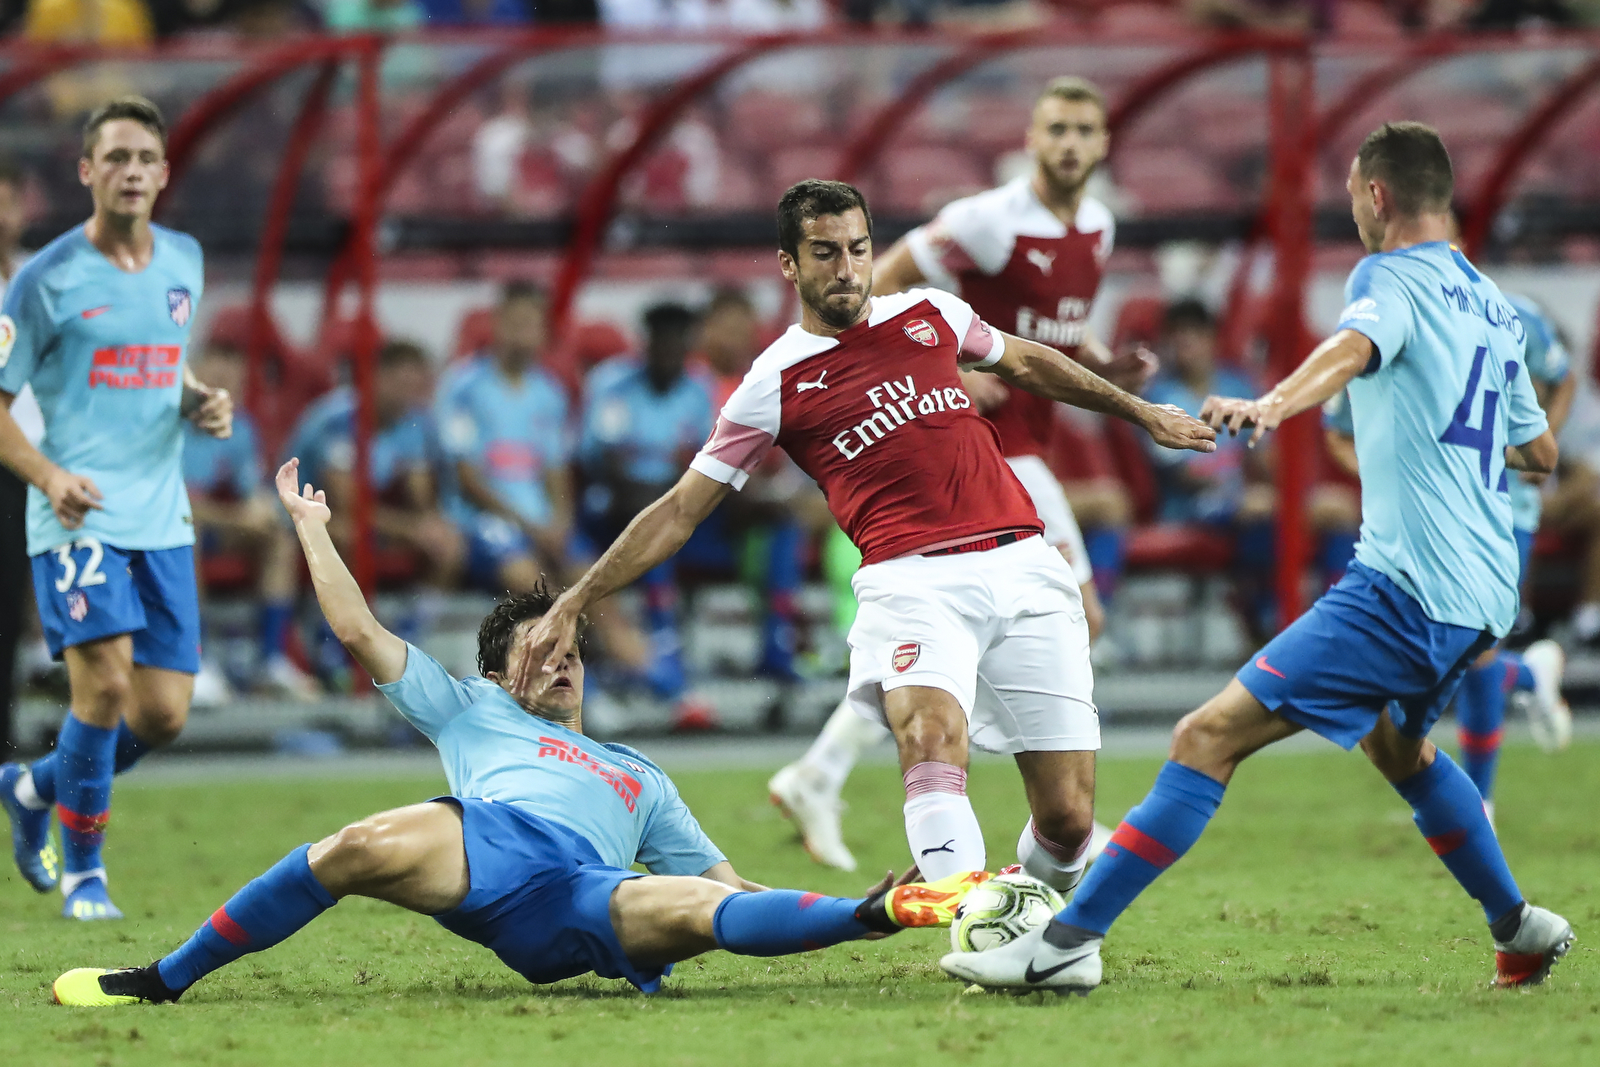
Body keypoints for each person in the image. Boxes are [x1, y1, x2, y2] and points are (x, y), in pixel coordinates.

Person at [943, 122, 1574, 994]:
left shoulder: (1386, 276)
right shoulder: (1496, 307)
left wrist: (1274, 403)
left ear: (1379, 195)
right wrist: (1443, 444)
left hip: (1404, 586)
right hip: (1482, 594)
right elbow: (1538, 454)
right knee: (1400, 750)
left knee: (1205, 736)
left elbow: (1352, 348)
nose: (1353, 209)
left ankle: (1066, 943)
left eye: (1354, 192)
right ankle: (1520, 928)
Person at [49, 457, 976, 1007]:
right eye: (542, 645)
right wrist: (312, 529)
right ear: (499, 673)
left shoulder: (638, 774)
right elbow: (356, 631)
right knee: (357, 844)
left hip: (584, 893)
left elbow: (731, 883)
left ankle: (878, 914)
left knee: (695, 912)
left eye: (572, 646)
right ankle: (164, 979)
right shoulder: (467, 708)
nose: (563, 658)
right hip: (485, 844)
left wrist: (822, 908)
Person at [519, 179, 1215, 893]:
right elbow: (678, 510)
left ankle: (1018, 902)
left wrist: (1141, 412)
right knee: (929, 739)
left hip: (1023, 561)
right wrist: (577, 596)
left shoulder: (932, 314)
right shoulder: (772, 382)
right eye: (824, 253)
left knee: (1068, 823)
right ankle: (968, 920)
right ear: (789, 264)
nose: (847, 269)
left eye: (857, 249)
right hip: (908, 580)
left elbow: (1028, 360)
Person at [768, 76, 1140, 872]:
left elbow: (1055, 330)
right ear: (1032, 137)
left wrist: (1105, 365)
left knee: (1020, 630)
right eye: (1056, 128)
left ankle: (822, 771)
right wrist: (943, 366)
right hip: (983, 451)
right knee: (1067, 617)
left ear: (1103, 143)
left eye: (1084, 129)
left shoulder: (1100, 227)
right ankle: (1054, 830)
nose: (1070, 143)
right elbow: (887, 276)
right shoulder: (987, 219)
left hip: (1029, 448)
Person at [0, 97, 234, 921]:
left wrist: (200, 400)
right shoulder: (46, 280)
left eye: (146, 158)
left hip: (160, 515)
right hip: (77, 512)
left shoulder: (184, 261)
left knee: (163, 712)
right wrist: (47, 475)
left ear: (164, 174)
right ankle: (85, 872)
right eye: (117, 157)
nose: (132, 171)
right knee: (101, 684)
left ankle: (30, 787)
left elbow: (158, 367)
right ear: (87, 172)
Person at [1323, 290, 1574, 818]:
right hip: (1425, 515)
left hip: (1506, 508)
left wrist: (1535, 442)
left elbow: (1562, 376)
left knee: (1478, 646)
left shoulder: (1508, 313)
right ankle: (1529, 675)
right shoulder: (1375, 327)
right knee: (1449, 652)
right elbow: (1337, 433)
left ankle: (1478, 799)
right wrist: (1385, 472)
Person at [438, 282, 647, 671]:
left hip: (541, 524)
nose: (522, 334)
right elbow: (467, 479)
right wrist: (532, 527)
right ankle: (581, 686)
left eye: (531, 325)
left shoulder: (548, 393)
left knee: (597, 584)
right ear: (497, 326)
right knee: (533, 584)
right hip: (485, 522)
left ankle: (663, 688)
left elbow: (555, 471)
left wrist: (561, 523)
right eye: (514, 323)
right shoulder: (463, 387)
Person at [576, 303, 716, 717]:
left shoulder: (697, 387)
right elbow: (606, 462)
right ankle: (664, 655)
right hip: (612, 509)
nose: (671, 350)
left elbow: (702, 457)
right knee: (654, 523)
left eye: (679, 342)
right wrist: (667, 499)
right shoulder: (613, 384)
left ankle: (666, 647)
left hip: (672, 506)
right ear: (647, 343)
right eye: (663, 341)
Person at [183, 336, 319, 700]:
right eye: (214, 379)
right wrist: (235, 517)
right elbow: (172, 504)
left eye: (231, 384)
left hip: (214, 527)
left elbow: (252, 498)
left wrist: (263, 513)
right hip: (165, 532)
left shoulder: (241, 428)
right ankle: (195, 659)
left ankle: (271, 661)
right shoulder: (167, 425)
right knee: (185, 532)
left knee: (279, 535)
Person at [285, 340, 463, 596]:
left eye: (413, 388)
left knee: (448, 542)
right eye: (400, 385)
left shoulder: (415, 422)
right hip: (311, 512)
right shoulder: (337, 421)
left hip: (377, 517)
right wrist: (411, 530)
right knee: (351, 538)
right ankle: (334, 625)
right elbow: (345, 503)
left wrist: (429, 525)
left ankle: (417, 625)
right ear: (375, 378)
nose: (407, 396)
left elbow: (420, 495)